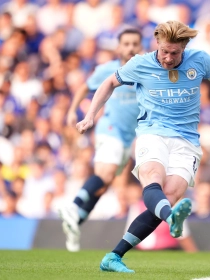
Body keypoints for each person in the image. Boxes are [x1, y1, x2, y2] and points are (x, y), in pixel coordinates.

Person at [76, 20, 210, 273]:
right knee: (153, 178)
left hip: (186, 140)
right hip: (151, 134)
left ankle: (113, 256)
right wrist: (90, 115)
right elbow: (109, 82)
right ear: (157, 43)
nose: (167, 57)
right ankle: (171, 217)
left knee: (170, 197)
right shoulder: (140, 64)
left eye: (174, 53)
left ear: (184, 47)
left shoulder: (201, 60)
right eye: (164, 50)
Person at [57, 29, 143, 252]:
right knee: (105, 174)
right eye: (126, 44)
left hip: (128, 137)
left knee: (103, 185)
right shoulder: (107, 70)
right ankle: (73, 206)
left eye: (135, 43)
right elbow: (85, 87)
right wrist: (72, 111)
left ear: (140, 46)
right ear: (119, 47)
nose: (131, 48)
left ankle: (74, 223)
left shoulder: (145, 69)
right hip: (109, 128)